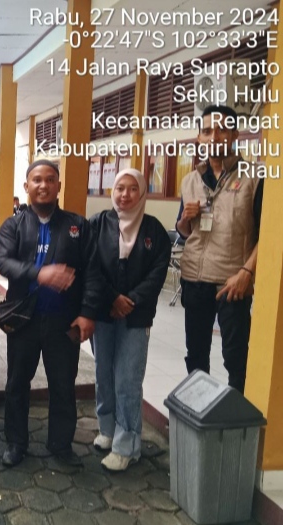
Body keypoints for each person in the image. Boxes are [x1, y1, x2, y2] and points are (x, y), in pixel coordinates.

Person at [0, 159, 103, 467]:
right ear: (27, 186)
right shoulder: (13, 225)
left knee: (63, 384)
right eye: (36, 180)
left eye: (49, 179)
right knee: (17, 383)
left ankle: (61, 444)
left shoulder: (78, 225)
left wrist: (88, 313)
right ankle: (16, 443)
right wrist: (38, 274)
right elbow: (2, 260)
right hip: (24, 319)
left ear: (59, 185)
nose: (43, 185)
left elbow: (93, 272)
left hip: (63, 321)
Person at [175, 105, 263, 393]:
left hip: (231, 282)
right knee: (196, 357)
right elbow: (185, 232)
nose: (214, 137)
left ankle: (235, 426)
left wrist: (247, 272)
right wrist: (185, 219)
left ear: (235, 135)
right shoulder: (190, 179)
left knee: (236, 360)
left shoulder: (255, 177)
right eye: (207, 131)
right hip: (194, 280)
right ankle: (197, 416)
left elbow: (269, 235)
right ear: (199, 137)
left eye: (222, 130)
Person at [89, 169, 170, 471]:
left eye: (132, 189)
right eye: (120, 188)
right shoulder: (98, 224)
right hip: (103, 312)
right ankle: (108, 429)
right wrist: (111, 298)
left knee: (127, 378)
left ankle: (128, 445)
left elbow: (157, 273)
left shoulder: (154, 230)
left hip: (136, 316)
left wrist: (129, 301)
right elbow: (90, 265)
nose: (125, 195)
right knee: (103, 372)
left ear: (142, 192)